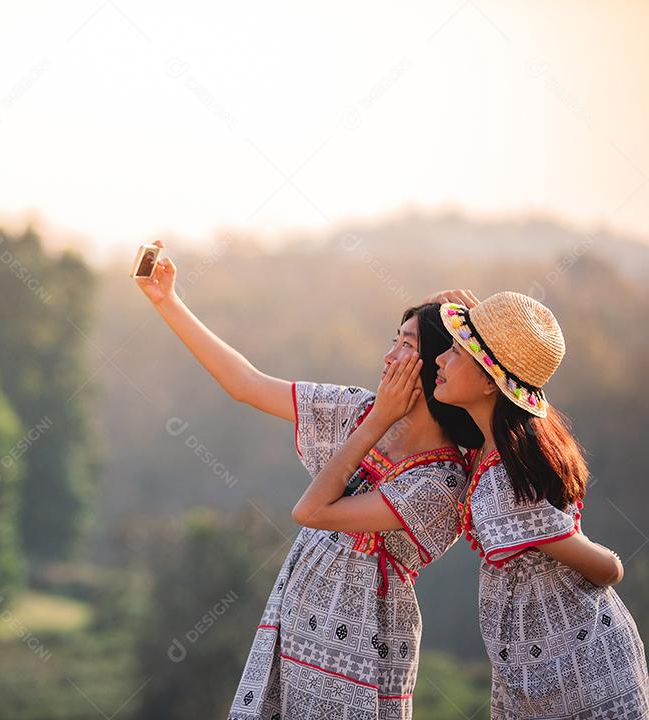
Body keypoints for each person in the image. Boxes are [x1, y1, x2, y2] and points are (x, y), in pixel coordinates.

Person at [135, 241, 481, 719]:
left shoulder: (442, 480)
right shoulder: (357, 409)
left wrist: (378, 422)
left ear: (442, 365)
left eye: (408, 346)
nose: (389, 356)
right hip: (296, 623)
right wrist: (167, 301)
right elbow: (246, 384)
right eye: (394, 339)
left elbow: (313, 512)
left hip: (365, 641)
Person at [433, 290, 649, 719]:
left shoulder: (503, 485)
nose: (440, 359)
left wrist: (595, 550)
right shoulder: (502, 451)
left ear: (487, 381)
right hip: (548, 670)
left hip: (582, 676)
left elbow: (609, 570)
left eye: (455, 351)